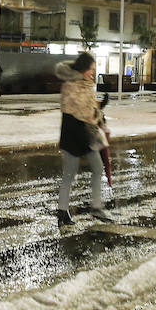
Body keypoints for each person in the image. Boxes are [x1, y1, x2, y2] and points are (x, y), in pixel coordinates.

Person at [54, 52, 112, 225]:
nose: (92, 73)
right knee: (70, 174)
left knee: (97, 168)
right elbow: (83, 111)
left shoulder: (86, 83)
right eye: (90, 69)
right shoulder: (71, 85)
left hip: (85, 132)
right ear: (83, 68)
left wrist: (101, 106)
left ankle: (95, 206)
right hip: (74, 133)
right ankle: (63, 211)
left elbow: (89, 106)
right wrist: (97, 116)